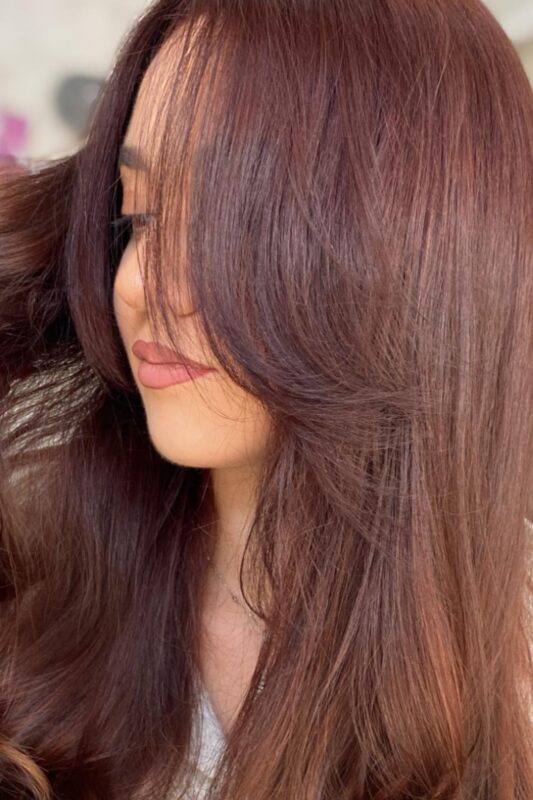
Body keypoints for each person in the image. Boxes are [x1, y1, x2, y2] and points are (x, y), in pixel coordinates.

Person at [0, 1, 532, 798]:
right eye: (135, 215)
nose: (141, 284)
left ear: (418, 248)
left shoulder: (511, 671)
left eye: (228, 223)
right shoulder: (46, 584)